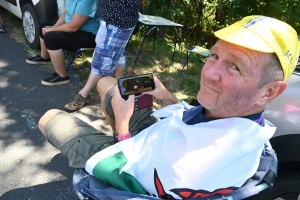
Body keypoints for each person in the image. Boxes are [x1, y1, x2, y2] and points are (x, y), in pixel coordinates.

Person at [38, 15, 299, 198]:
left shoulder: (199, 166)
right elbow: (191, 120)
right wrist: (166, 96)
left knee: (49, 117)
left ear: (269, 92)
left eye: (235, 67)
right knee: (108, 83)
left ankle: (111, 140)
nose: (209, 74)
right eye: (215, 55)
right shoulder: (236, 119)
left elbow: (129, 177)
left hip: (130, 158)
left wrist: (122, 126)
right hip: (157, 136)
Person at [64, 0, 140, 111]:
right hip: (111, 17)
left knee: (103, 59)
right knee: (117, 55)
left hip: (118, 19)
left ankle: (84, 95)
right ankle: (120, 92)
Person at [25, 0, 99, 86]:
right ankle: (45, 57)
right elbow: (66, 12)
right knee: (44, 26)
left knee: (51, 37)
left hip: (89, 35)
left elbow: (73, 27)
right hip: (75, 30)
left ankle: (62, 76)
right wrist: (54, 26)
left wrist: (51, 30)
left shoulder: (88, 1)